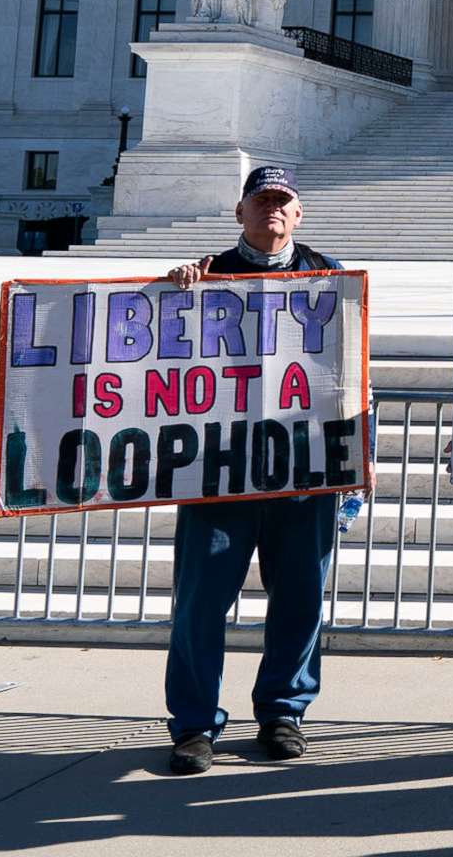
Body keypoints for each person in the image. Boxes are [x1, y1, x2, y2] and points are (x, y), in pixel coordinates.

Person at [158, 165, 346, 775]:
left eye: (282, 202)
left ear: (299, 215)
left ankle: (283, 713)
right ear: (239, 213)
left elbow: (348, 376)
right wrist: (168, 295)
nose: (272, 210)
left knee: (300, 600)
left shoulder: (334, 280)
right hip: (218, 472)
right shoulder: (202, 279)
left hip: (304, 470)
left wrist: (354, 471)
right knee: (200, 603)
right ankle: (193, 724)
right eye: (260, 201)